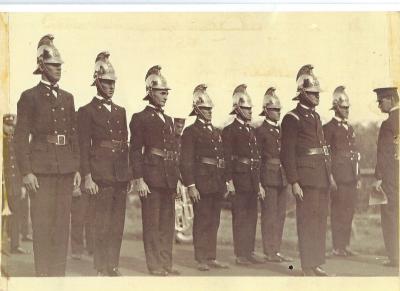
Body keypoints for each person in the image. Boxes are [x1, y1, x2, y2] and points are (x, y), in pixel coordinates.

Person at [14, 34, 81, 276]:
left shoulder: (68, 98)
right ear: (41, 66)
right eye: (54, 65)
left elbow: (74, 137)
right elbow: (20, 137)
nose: (58, 69)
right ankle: (43, 276)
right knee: (42, 225)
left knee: (62, 225)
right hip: (40, 171)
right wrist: (26, 171)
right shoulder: (29, 97)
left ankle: (57, 276)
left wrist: (75, 169)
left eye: (60, 65)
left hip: (64, 169)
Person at [77, 51, 132, 276]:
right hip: (99, 175)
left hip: (120, 175)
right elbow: (82, 146)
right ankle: (100, 265)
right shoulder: (86, 111)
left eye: (113, 82)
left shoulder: (120, 111)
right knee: (100, 223)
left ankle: (113, 265)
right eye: (107, 82)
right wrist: (87, 176)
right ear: (97, 82)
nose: (111, 86)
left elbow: (125, 144)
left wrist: (127, 174)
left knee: (117, 225)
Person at [280, 65, 336, 276]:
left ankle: (316, 263)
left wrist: (328, 174)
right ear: (302, 94)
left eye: (317, 94)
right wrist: (294, 181)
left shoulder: (316, 117)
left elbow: (322, 150)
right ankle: (306, 266)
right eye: (312, 94)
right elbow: (287, 153)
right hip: (306, 179)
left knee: (320, 221)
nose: (316, 97)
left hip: (320, 177)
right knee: (307, 222)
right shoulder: (291, 118)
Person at [130, 65, 181, 276]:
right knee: (152, 224)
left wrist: (176, 179)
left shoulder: (169, 120)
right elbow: (135, 151)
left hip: (168, 179)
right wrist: (138, 179)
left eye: (167, 92)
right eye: (162, 92)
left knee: (167, 225)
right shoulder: (140, 118)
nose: (165, 96)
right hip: (150, 178)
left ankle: (166, 264)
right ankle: (154, 265)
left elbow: (172, 152)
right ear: (150, 92)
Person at [180, 84, 229, 271]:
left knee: (214, 220)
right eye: (206, 109)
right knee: (202, 219)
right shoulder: (191, 132)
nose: (209, 112)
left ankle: (211, 256)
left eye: (210, 109)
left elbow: (221, 159)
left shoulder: (216, 132)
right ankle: (201, 258)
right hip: (200, 182)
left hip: (215, 182)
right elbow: (186, 161)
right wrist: (191, 185)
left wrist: (224, 181)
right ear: (197, 110)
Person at [222, 84, 266, 266]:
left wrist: (260, 184)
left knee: (251, 217)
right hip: (238, 179)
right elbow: (225, 158)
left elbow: (256, 159)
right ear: (238, 109)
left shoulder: (252, 131)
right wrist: (228, 181)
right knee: (240, 217)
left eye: (250, 108)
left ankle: (249, 252)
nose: (250, 111)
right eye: (246, 108)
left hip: (252, 179)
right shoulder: (229, 131)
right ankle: (240, 254)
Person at [323, 86, 361, 257]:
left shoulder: (350, 128)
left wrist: (358, 176)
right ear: (336, 107)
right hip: (337, 177)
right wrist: (330, 177)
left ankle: (345, 245)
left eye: (348, 107)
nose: (347, 110)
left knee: (349, 211)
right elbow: (327, 155)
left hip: (351, 176)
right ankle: (337, 247)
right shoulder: (328, 128)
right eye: (344, 107)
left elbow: (354, 154)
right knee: (338, 211)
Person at [256, 88, 293, 263]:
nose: (278, 113)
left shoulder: (282, 131)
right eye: (275, 110)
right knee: (269, 214)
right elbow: (257, 160)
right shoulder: (260, 131)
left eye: (279, 109)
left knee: (280, 215)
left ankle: (276, 250)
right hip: (267, 178)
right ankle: (269, 251)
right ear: (266, 111)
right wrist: (259, 183)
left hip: (282, 177)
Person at [372, 87, 399, 267]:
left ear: (390, 99)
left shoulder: (388, 123)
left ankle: (394, 256)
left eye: (381, 101)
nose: (379, 104)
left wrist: (379, 177)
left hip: (391, 177)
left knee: (390, 214)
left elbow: (383, 153)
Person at [2, 114, 29, 255]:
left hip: (15, 185)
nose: (10, 128)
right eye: (7, 126)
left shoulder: (16, 144)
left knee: (16, 216)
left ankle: (14, 245)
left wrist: (23, 186)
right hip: (3, 186)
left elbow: (19, 167)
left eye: (12, 126)